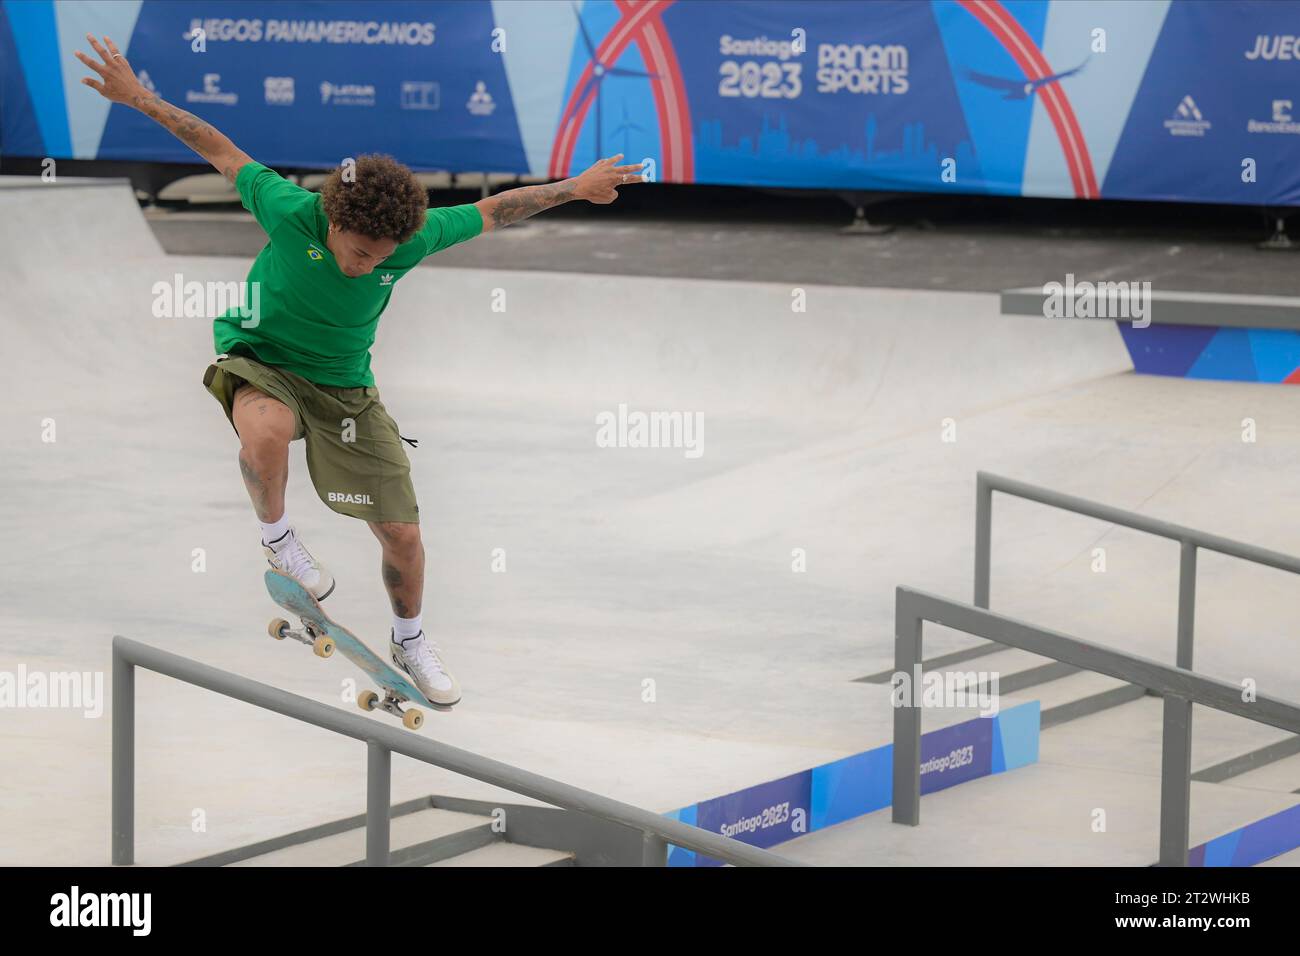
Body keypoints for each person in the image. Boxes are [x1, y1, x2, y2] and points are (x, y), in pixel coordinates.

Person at [76, 33, 643, 707]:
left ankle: (411, 637)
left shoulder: (415, 236)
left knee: (403, 535)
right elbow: (220, 151)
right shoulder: (289, 210)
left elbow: (496, 209)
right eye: (358, 250)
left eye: (382, 256)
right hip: (262, 360)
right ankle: (279, 541)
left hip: (348, 390)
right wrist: (137, 97)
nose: (368, 264)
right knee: (264, 430)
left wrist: (575, 188)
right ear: (334, 219)